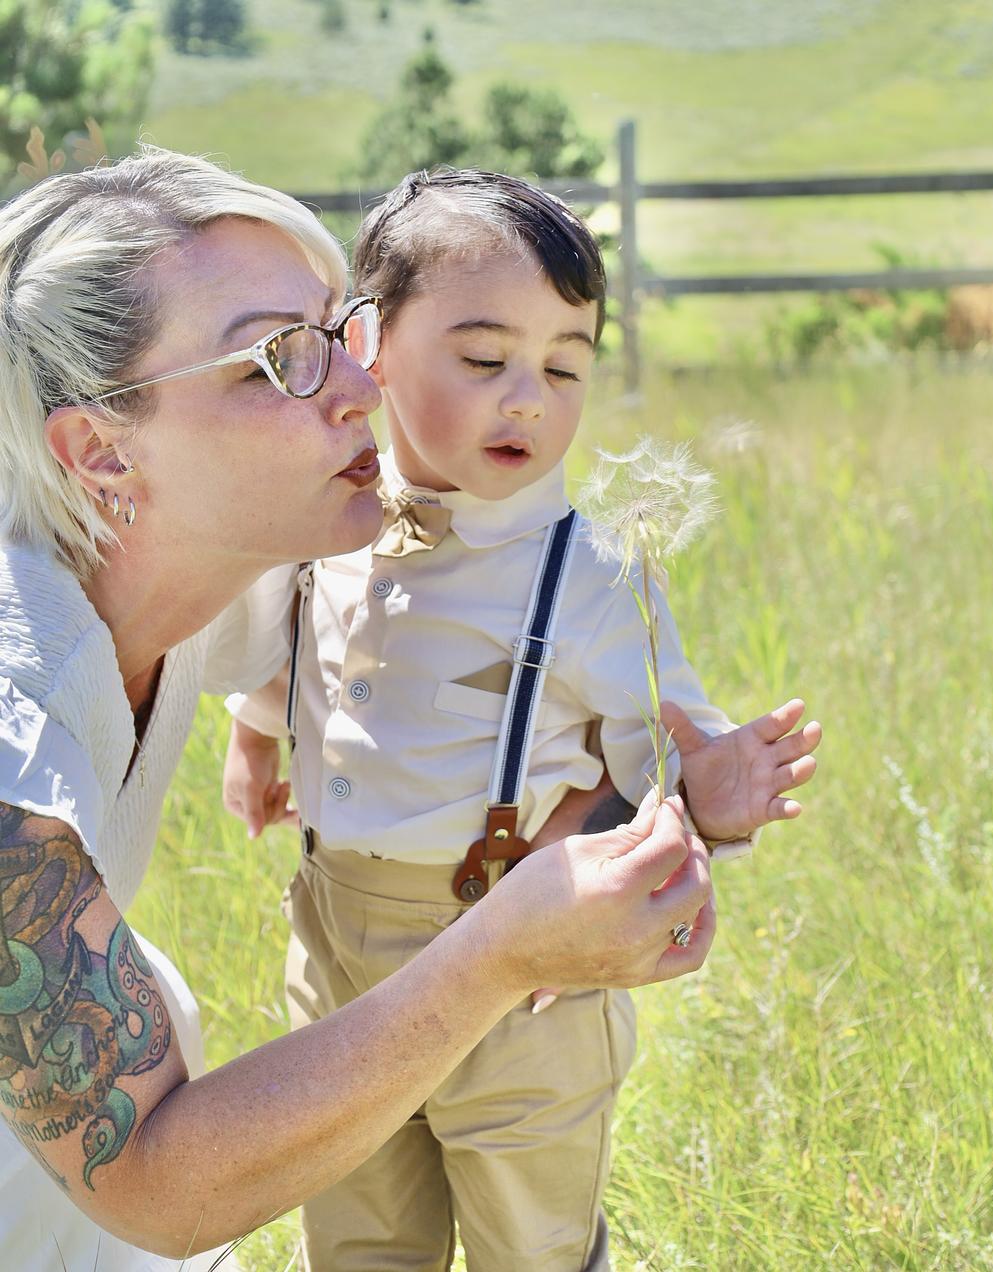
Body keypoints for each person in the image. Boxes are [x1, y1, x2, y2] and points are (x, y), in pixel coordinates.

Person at [0, 149, 717, 1272]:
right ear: (99, 450)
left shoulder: (196, 586)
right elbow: (153, 1182)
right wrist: (498, 952)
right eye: (278, 359)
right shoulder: (15, 716)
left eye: (338, 334)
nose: (360, 388)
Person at [222, 169, 822, 1271]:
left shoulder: (587, 578)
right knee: (354, 1226)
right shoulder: (326, 525)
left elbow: (657, 757)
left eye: (564, 366)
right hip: (338, 945)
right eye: (485, 359)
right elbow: (297, 646)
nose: (529, 401)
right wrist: (258, 734)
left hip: (522, 972)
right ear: (370, 346)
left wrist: (710, 796)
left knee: (530, 1239)